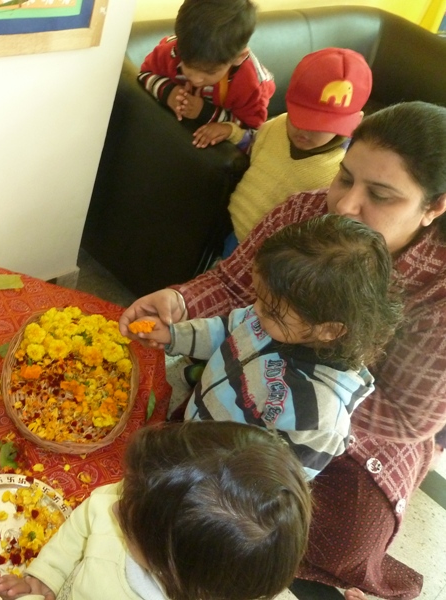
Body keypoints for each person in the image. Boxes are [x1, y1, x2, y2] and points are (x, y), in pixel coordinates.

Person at [119, 101, 446, 600]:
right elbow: (233, 287)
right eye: (344, 178)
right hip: (252, 373)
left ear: (433, 208)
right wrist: (180, 303)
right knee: (184, 455)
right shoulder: (304, 213)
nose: (345, 205)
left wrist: (285, 402)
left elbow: (404, 417)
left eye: (380, 195)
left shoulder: (439, 291)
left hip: (355, 430)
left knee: (324, 530)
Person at [131, 215, 401, 480]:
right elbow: (224, 331)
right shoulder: (274, 320)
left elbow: (277, 482)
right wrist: (174, 335)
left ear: (329, 330)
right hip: (197, 426)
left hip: (216, 477)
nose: (255, 310)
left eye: (271, 310)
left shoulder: (318, 416)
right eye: (258, 297)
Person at [0, 421, 312, 600]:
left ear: (170, 569)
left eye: (128, 523)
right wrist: (48, 575)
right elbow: (88, 519)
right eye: (128, 487)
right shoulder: (143, 502)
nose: (113, 505)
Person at [192, 48, 372, 255]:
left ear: (354, 122)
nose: (304, 131)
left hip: (272, 254)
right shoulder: (277, 125)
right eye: (298, 118)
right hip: (234, 227)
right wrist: (232, 133)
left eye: (319, 126)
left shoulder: (343, 170)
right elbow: (256, 145)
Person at [138, 0, 275, 131]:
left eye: (210, 72)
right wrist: (169, 93)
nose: (195, 79)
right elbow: (144, 74)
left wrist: (207, 114)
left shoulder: (251, 84)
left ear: (238, 58)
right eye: (187, 64)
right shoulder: (172, 50)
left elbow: (252, 129)